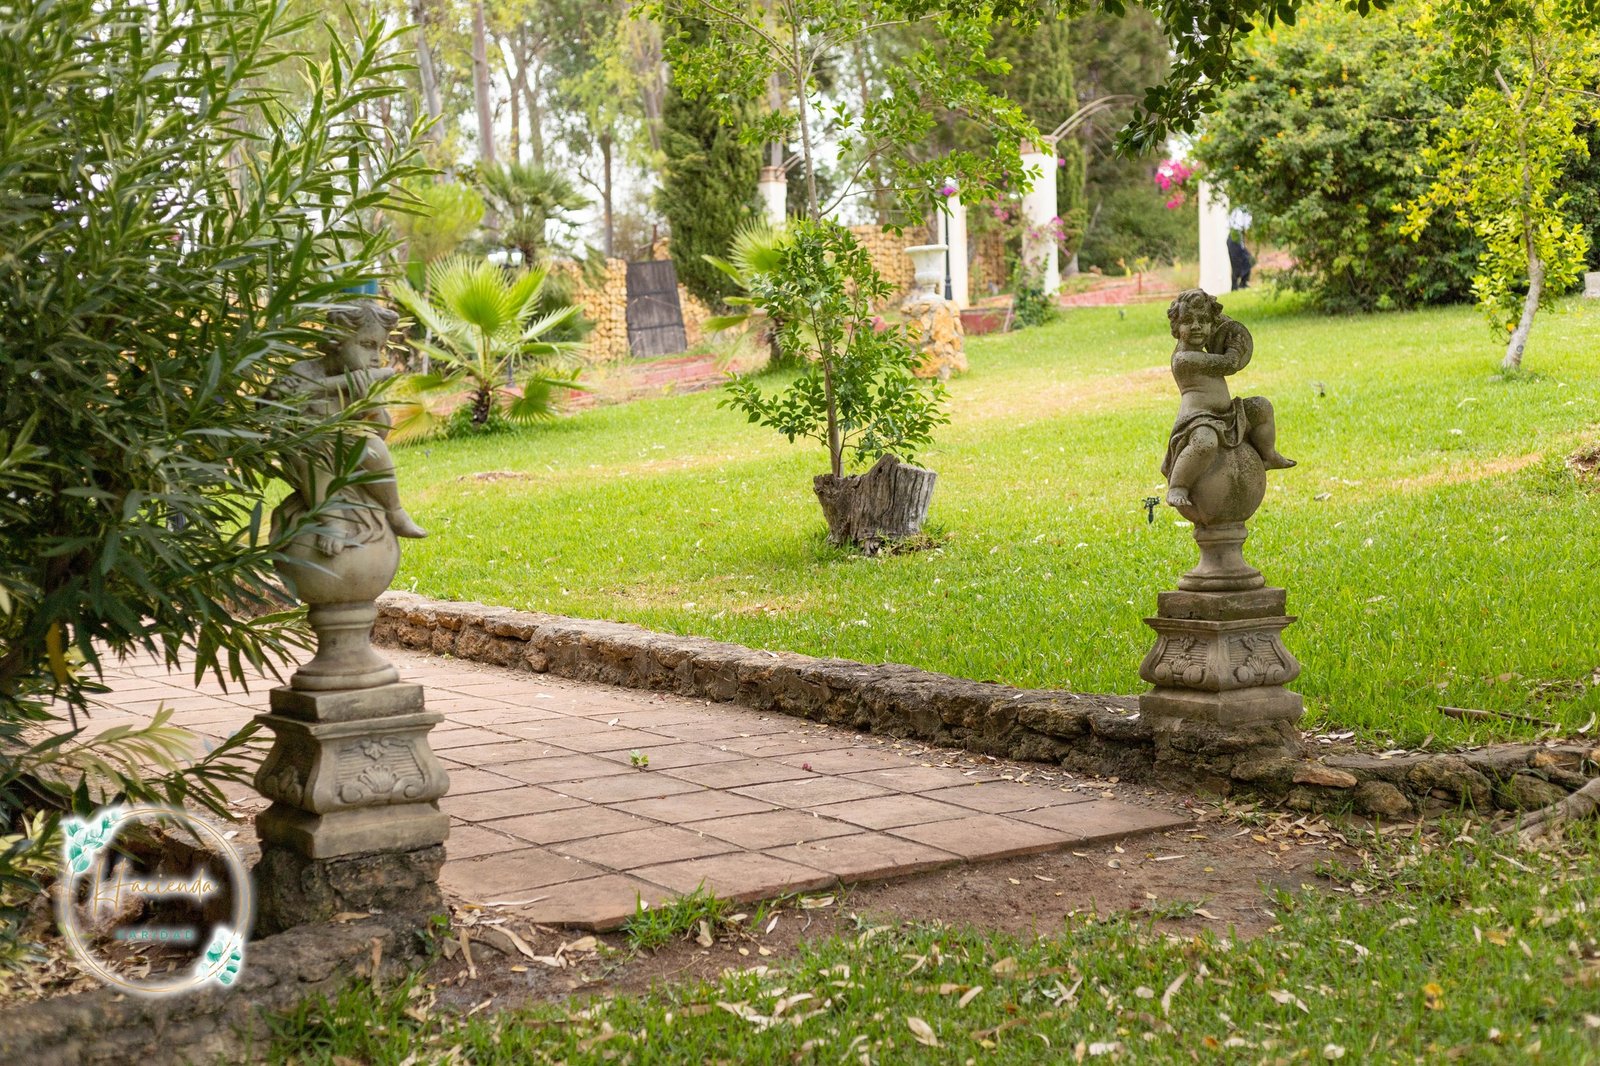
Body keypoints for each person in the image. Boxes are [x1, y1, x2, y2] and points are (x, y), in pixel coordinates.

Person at [278, 302, 427, 546]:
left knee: (371, 446)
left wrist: (370, 403)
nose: (375, 358)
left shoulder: (365, 382)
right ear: (337, 341)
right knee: (309, 458)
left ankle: (395, 510)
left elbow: (381, 432)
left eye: (379, 348)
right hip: (307, 452)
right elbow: (274, 411)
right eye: (367, 345)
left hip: (348, 454)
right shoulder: (304, 372)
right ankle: (332, 519)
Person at [1161, 289, 1293, 509]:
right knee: (1205, 443)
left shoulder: (1202, 347)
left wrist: (1225, 327)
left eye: (1203, 321)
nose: (1196, 326)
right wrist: (1236, 347)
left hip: (1227, 413)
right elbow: (1228, 364)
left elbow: (1223, 326)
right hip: (1198, 419)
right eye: (1188, 321)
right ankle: (1178, 485)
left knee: (1262, 407)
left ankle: (1268, 454)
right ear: (1176, 328)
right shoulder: (1184, 359)